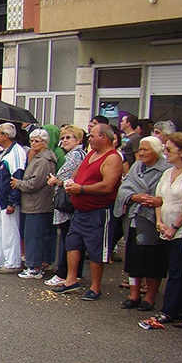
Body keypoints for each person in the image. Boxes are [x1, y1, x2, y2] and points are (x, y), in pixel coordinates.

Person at [54, 123, 123, 300]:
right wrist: (71, 182)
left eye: (92, 136)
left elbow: (107, 186)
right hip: (80, 210)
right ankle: (70, 280)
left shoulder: (112, 158)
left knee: (95, 249)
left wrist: (82, 189)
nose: (89, 139)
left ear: (104, 137)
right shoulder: (92, 153)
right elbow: (77, 172)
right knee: (72, 243)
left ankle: (95, 287)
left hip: (98, 211)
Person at [113, 136, 168, 311]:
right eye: (140, 149)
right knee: (132, 259)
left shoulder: (166, 169)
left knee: (152, 260)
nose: (141, 153)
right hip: (133, 217)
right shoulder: (136, 166)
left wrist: (155, 200)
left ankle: (150, 297)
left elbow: (166, 194)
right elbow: (124, 188)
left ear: (156, 152)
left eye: (145, 149)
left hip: (152, 220)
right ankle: (134, 295)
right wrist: (133, 196)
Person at [146, 132, 182, 326]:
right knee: (169, 268)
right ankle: (178, 308)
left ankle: (169, 310)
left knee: (177, 271)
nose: (166, 153)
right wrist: (159, 222)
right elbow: (159, 199)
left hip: (181, 231)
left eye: (169, 149)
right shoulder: (167, 173)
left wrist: (174, 226)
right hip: (165, 228)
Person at [11, 128, 57, 279]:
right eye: (32, 141)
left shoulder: (43, 160)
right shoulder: (38, 157)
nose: (33, 143)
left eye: (37, 141)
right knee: (36, 236)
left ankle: (34, 267)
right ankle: (39, 263)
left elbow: (35, 183)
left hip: (37, 204)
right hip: (34, 203)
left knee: (34, 237)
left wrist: (19, 183)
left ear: (45, 142)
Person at [44, 124, 87, 287]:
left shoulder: (75, 155)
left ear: (78, 139)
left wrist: (55, 180)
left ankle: (64, 273)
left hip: (67, 203)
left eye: (69, 137)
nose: (65, 141)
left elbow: (67, 179)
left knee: (67, 239)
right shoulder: (79, 154)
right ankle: (75, 272)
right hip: (72, 201)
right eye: (62, 138)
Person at [0, 123, 26, 274]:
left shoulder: (17, 152)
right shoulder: (3, 151)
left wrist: (12, 201)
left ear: (6, 136)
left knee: (9, 230)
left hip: (7, 197)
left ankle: (12, 262)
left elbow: (17, 176)